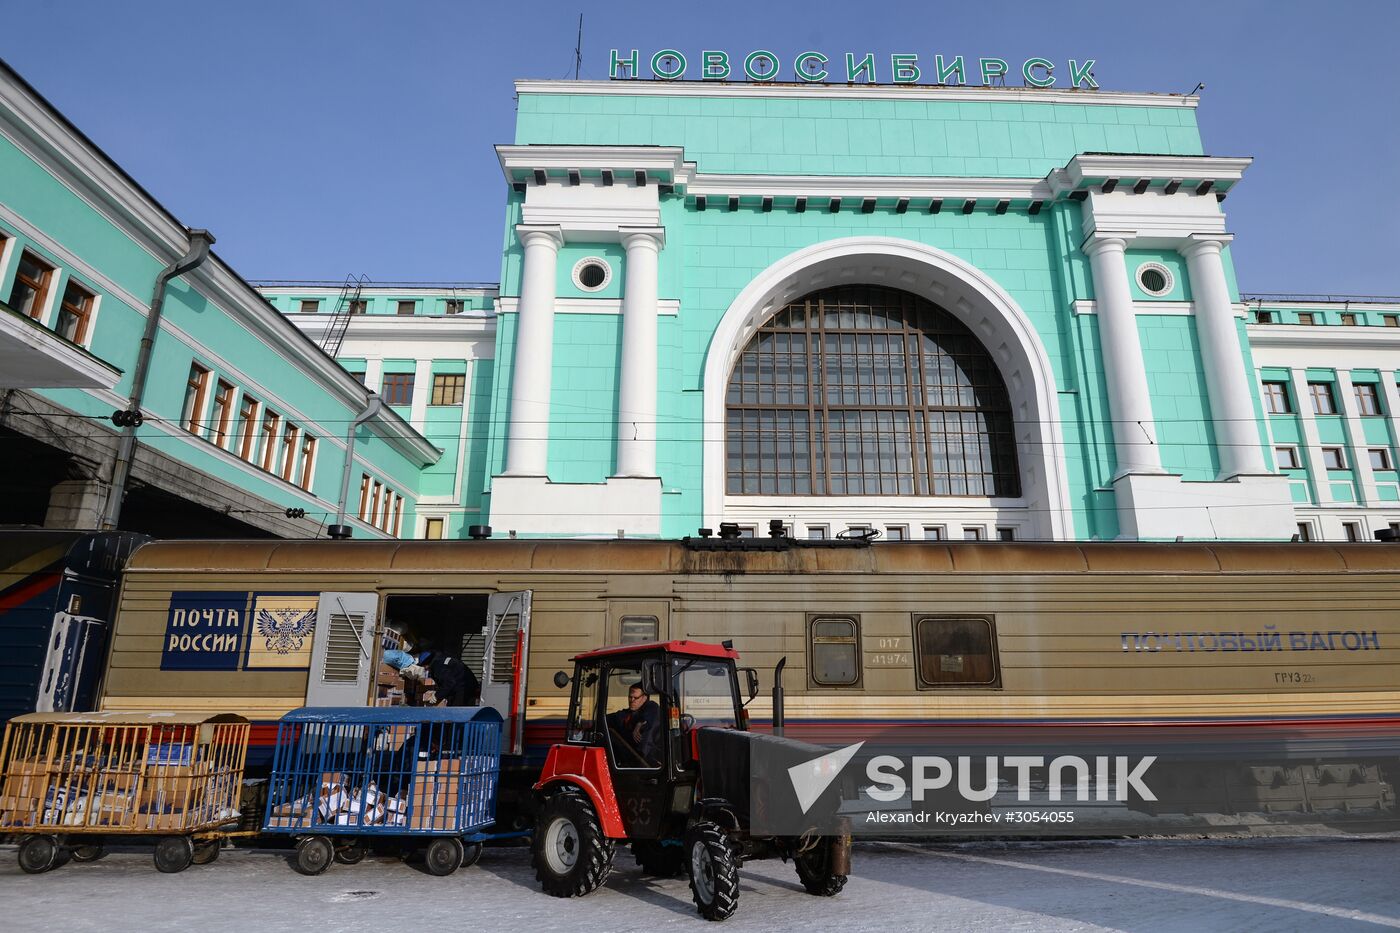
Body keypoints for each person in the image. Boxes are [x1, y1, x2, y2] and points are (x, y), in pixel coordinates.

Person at [606, 683, 660, 766]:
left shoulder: (651, 708)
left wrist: (639, 723)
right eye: (630, 697)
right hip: (627, 760)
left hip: (646, 762)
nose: (632, 700)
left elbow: (652, 710)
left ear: (644, 698)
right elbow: (607, 719)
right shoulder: (624, 714)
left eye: (636, 697)